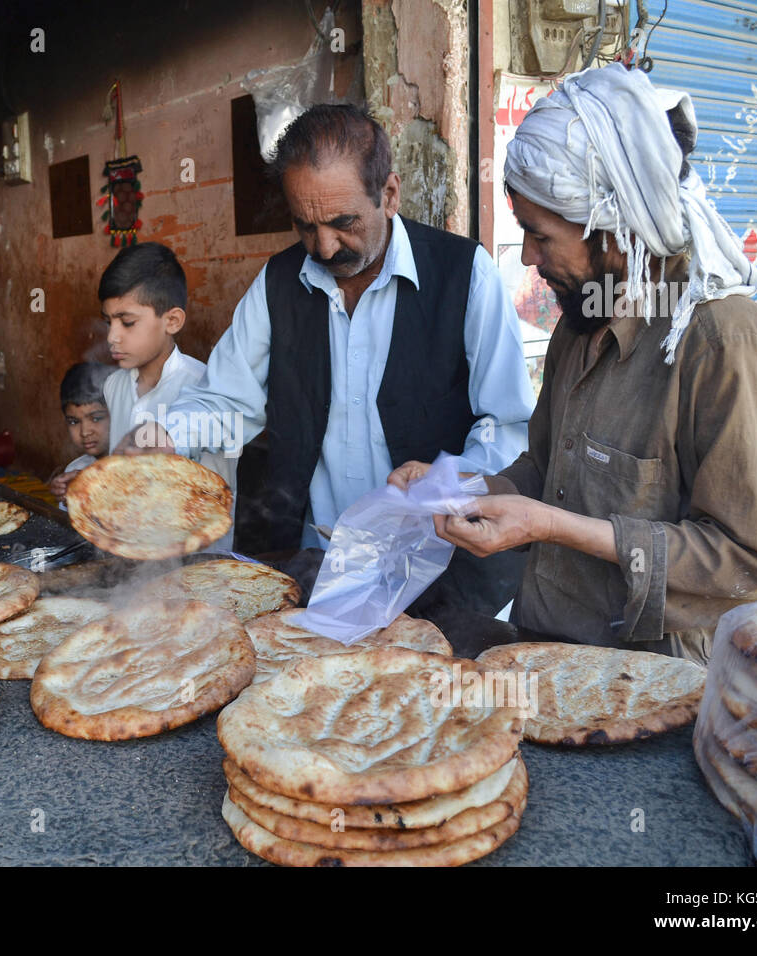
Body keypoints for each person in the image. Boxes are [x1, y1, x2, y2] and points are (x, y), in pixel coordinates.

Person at [421, 64, 757, 663]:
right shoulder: (581, 319)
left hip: (652, 688)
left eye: (541, 236)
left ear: (614, 231)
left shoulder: (722, 341)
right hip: (541, 652)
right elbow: (545, 470)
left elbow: (749, 564)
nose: (530, 258)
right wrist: (453, 489)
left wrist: (547, 526)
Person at [119, 105, 533, 613]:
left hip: (443, 568)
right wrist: (166, 434)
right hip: (320, 568)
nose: (325, 245)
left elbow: (508, 426)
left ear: (389, 194)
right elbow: (230, 403)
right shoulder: (278, 283)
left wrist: (454, 479)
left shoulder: (465, 275)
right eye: (305, 226)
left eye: (343, 223)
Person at [98, 242, 239, 550]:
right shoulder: (114, 386)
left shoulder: (206, 390)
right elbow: (121, 473)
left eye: (127, 322)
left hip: (196, 562)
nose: (112, 336)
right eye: (108, 321)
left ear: (172, 321)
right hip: (127, 557)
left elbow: (215, 499)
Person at [50, 361, 116, 500]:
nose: (85, 432)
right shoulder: (74, 471)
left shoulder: (139, 465)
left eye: (96, 418)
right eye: (74, 422)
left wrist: (90, 483)